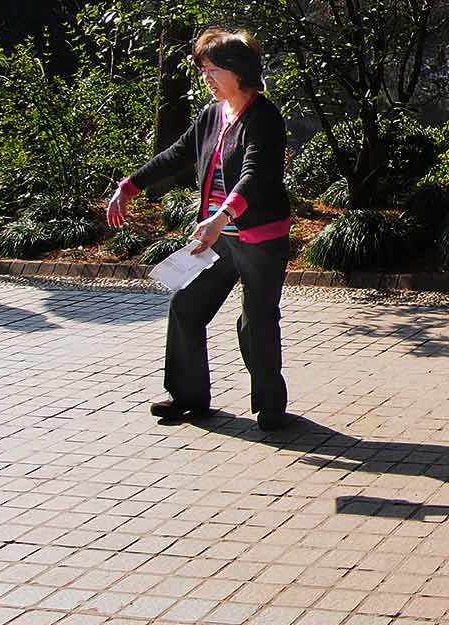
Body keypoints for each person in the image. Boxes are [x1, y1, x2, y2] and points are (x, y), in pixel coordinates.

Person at [107, 27, 292, 431]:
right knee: (186, 307)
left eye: (212, 69)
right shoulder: (213, 114)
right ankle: (187, 396)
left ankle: (270, 404)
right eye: (203, 69)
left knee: (256, 319)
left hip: (258, 238)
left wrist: (222, 216)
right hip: (216, 238)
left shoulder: (264, 117)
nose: (205, 77)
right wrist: (129, 186)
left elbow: (256, 174)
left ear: (237, 70)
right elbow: (177, 153)